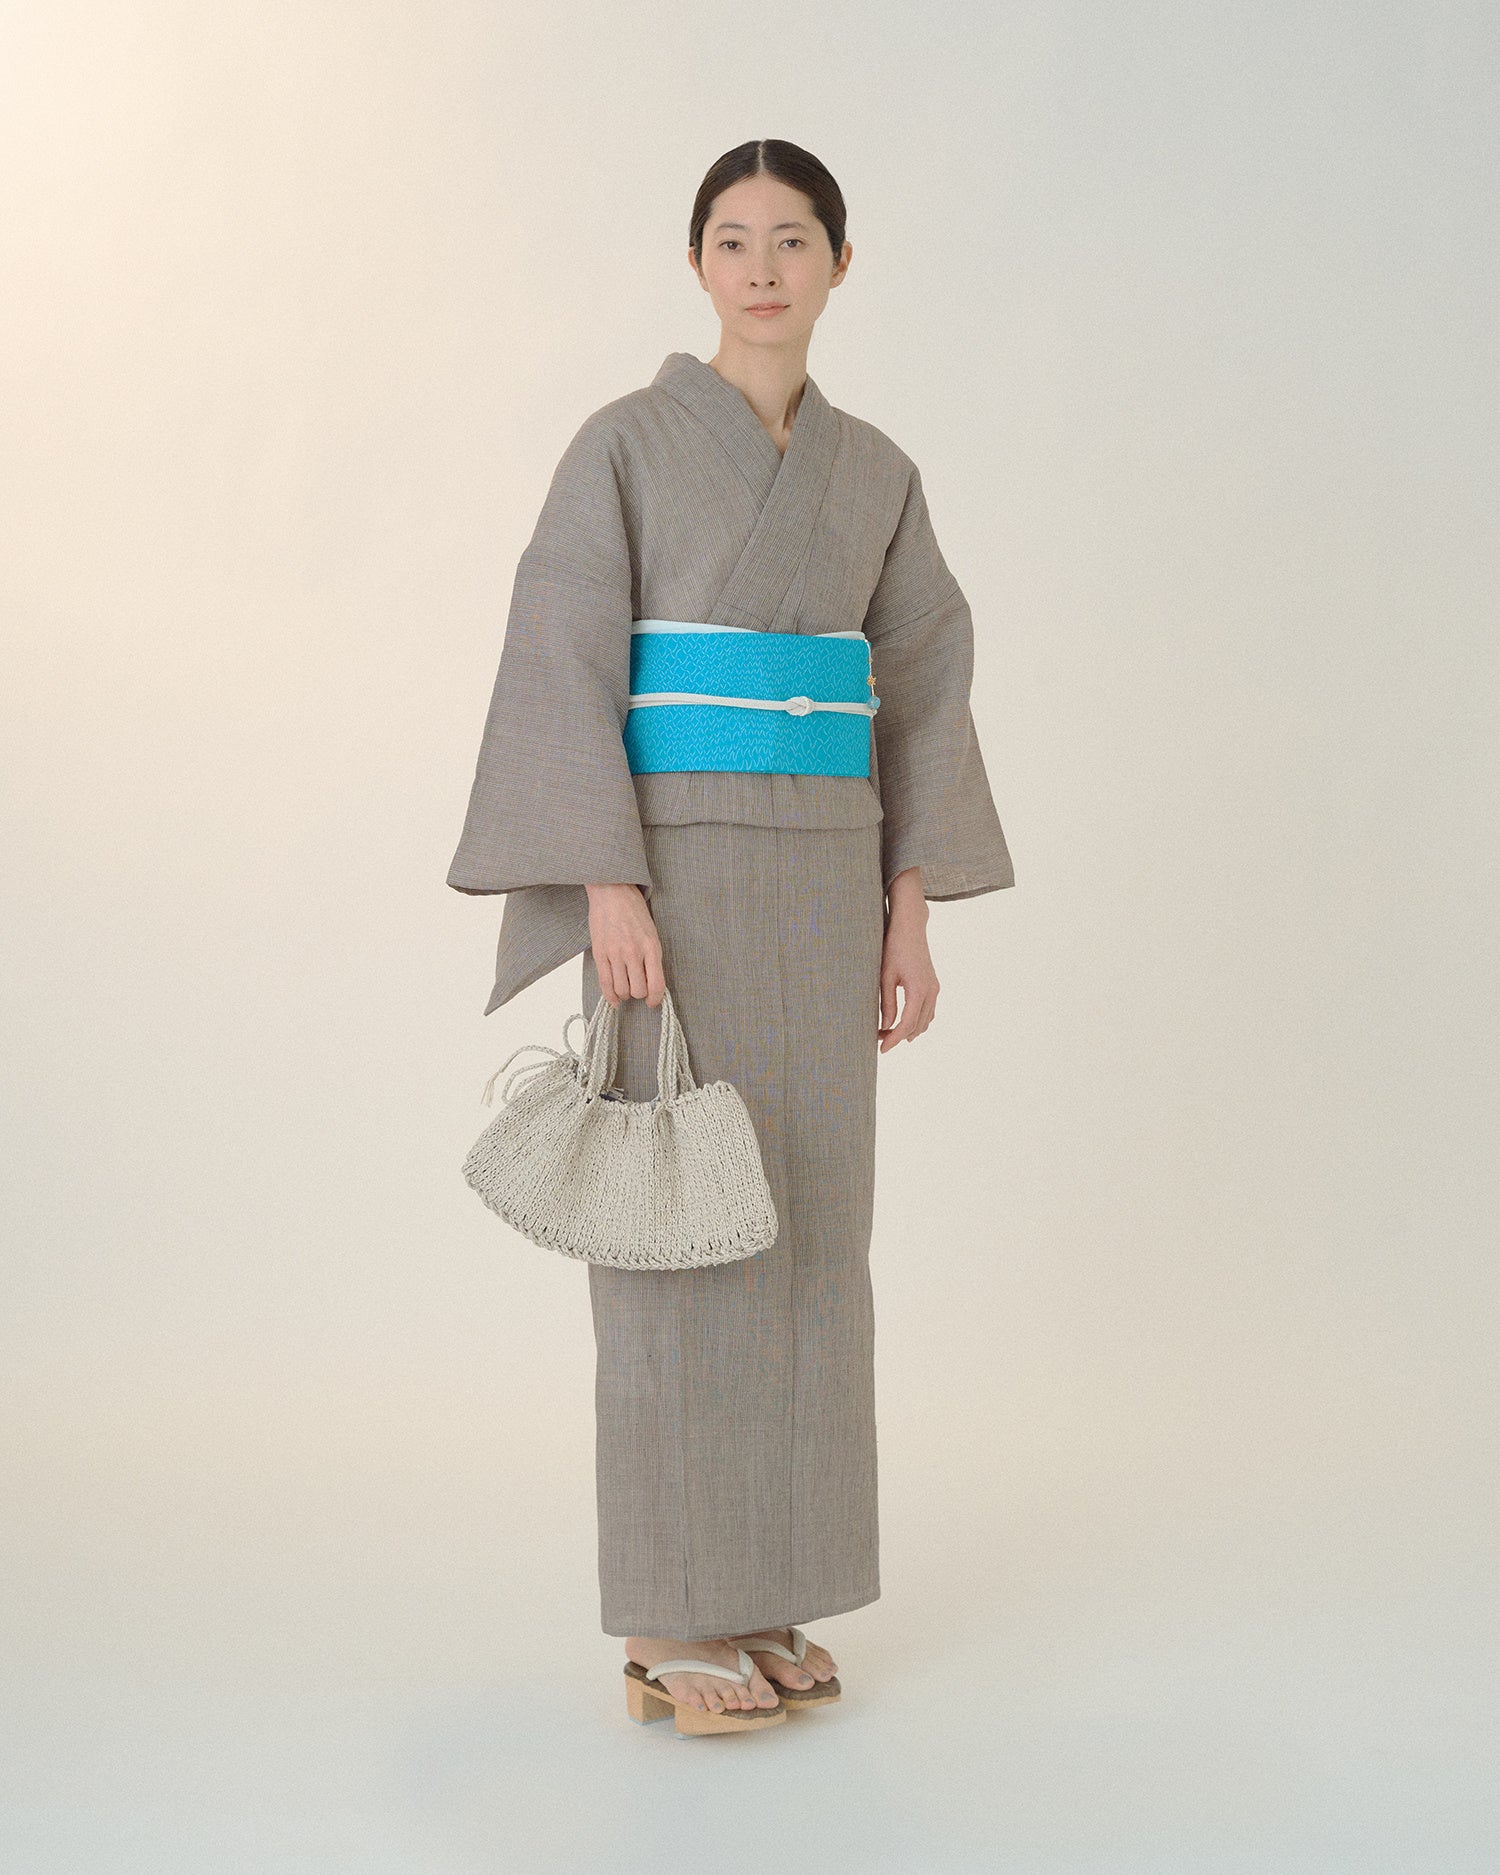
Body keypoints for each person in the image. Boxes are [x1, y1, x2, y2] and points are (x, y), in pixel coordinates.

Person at [448, 138, 1015, 1733]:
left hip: (828, 879)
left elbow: (922, 678)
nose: (764, 268)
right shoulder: (625, 445)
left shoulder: (874, 472)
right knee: (673, 1235)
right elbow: (563, 648)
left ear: (841, 262)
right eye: (733, 239)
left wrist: (909, 903)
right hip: (673, 886)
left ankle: (763, 1592)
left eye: (794, 239)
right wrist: (604, 881)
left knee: (813, 1236)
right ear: (696, 262)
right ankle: (666, 1617)